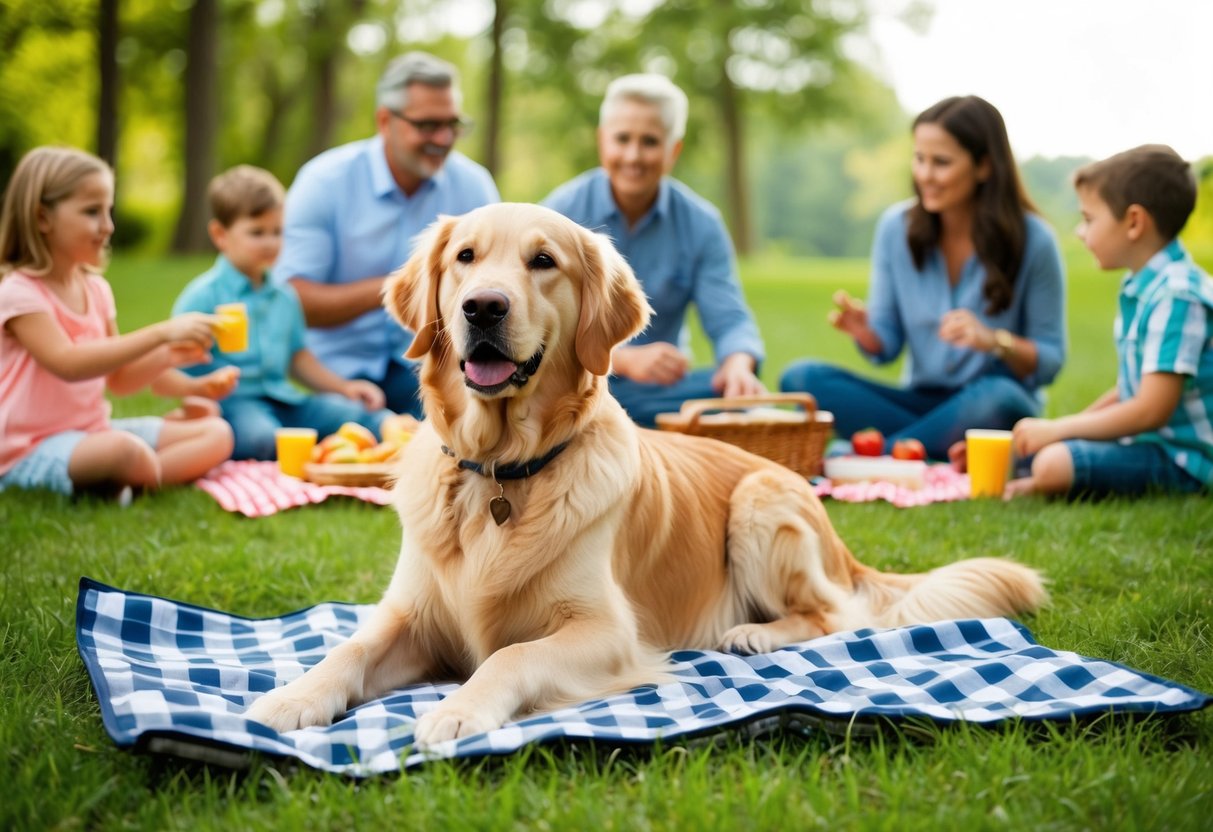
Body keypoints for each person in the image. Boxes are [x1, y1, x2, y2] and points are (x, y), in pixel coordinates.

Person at [780, 96, 1066, 460]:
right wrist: (868, 334)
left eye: (941, 162)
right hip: (917, 403)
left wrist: (993, 341)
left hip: (987, 406)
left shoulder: (1035, 240)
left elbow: (1050, 362)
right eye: (920, 159)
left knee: (1000, 398)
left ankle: (876, 453)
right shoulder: (895, 229)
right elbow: (888, 347)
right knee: (802, 379)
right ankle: (920, 448)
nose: (925, 175)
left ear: (984, 166)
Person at [274, 51, 500, 418]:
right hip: (334, 376)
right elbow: (291, 302)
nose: (443, 138)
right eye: (427, 125)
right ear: (385, 121)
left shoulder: (474, 188)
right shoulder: (324, 182)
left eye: (452, 124)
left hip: (434, 366)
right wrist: (399, 288)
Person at [0, 146, 233, 499]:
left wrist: (170, 354)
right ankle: (134, 477)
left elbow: (120, 380)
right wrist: (160, 333)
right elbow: (68, 363)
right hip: (30, 448)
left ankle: (133, 482)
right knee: (125, 451)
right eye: (92, 212)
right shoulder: (20, 293)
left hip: (92, 432)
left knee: (217, 433)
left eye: (108, 211)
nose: (108, 226)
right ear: (42, 218)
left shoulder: (95, 288)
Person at [542, 73, 765, 427]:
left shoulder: (701, 223)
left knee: (733, 397)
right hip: (573, 378)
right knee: (563, 395)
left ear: (673, 150)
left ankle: (638, 423)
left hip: (662, 389)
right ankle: (649, 424)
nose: (634, 156)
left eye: (649, 141)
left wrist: (738, 363)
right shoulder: (558, 215)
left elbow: (730, 319)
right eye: (622, 139)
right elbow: (538, 324)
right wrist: (625, 359)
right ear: (603, 142)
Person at [1005, 145, 1211, 498]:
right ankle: (1029, 475)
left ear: (1133, 222)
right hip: (1154, 446)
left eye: (1088, 219)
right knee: (1049, 452)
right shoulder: (1146, 287)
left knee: (1053, 463)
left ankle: (1034, 483)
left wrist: (1059, 433)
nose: (1080, 233)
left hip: (1187, 461)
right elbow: (1132, 391)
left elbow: (1149, 410)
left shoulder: (1177, 295)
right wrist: (1056, 429)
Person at [173, 165, 395, 461]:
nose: (270, 242)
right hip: (234, 404)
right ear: (220, 234)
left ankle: (401, 434)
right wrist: (195, 402)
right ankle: (287, 447)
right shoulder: (203, 296)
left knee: (354, 415)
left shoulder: (284, 296)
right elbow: (174, 360)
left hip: (283, 398)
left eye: (277, 232)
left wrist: (344, 387)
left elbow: (298, 357)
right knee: (261, 439)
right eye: (257, 232)